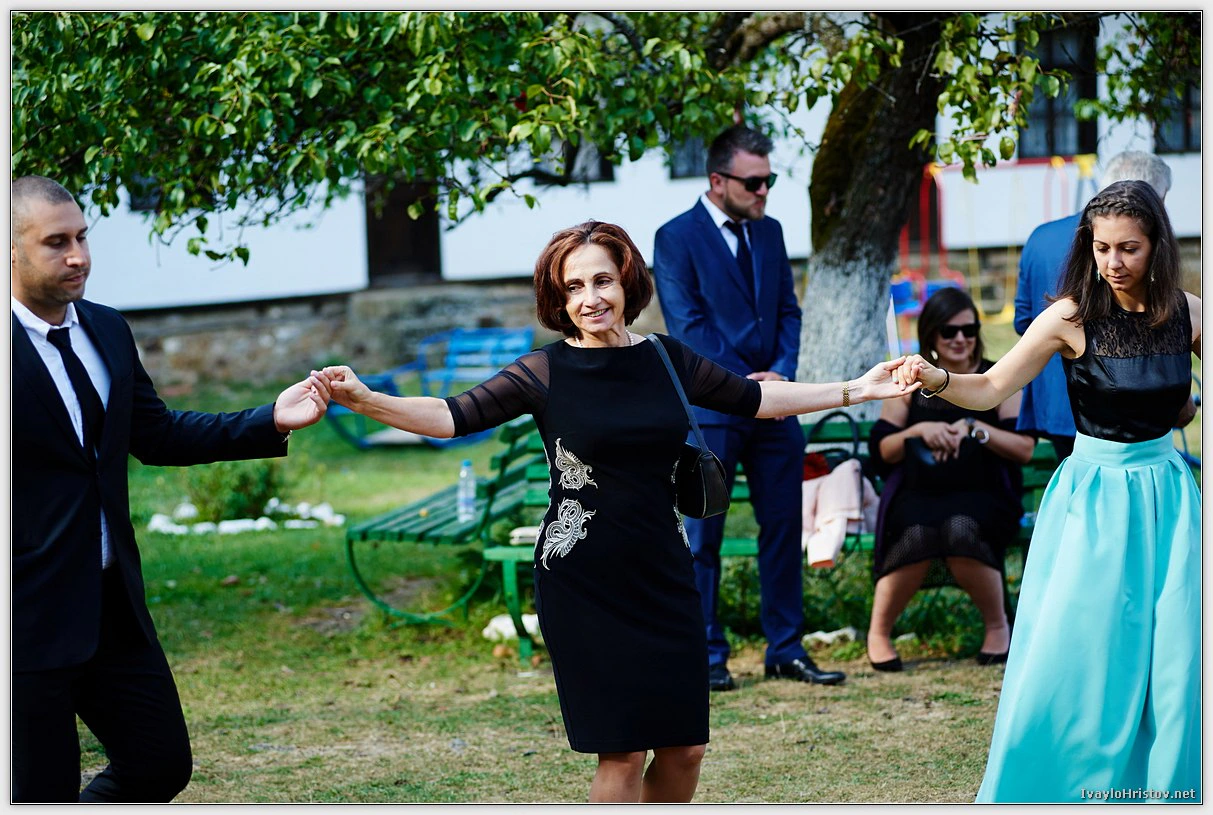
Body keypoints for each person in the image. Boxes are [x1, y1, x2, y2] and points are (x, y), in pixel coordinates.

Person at [322, 220, 913, 803]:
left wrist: (858, 389)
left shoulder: (666, 358)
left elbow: (756, 398)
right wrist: (367, 400)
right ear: (558, 299)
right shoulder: (543, 372)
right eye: (573, 287)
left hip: (664, 573)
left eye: (601, 281)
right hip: (584, 581)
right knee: (623, 752)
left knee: (685, 748)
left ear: (627, 281)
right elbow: (451, 416)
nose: (590, 299)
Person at [11, 176, 332, 802]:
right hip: (23, 616)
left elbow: (156, 434)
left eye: (82, 237)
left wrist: (270, 418)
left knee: (158, 764)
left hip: (112, 604)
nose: (78, 256)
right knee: (40, 791)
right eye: (56, 243)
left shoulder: (106, 329)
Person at [894, 180, 1201, 802]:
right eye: (1101, 247)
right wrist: (935, 378)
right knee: (1080, 655)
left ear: (1158, 246)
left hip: (1169, 500)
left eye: (1129, 248)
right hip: (1094, 502)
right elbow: (991, 388)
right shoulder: (1069, 315)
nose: (1113, 262)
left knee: (1178, 657)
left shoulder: (1191, 312)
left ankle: (1169, 791)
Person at [652, 125, 845, 693]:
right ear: (718, 180)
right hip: (710, 413)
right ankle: (706, 653)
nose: (764, 191)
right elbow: (688, 326)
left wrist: (779, 375)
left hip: (777, 408)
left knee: (784, 528)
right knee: (703, 536)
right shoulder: (675, 237)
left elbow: (788, 311)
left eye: (769, 181)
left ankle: (785, 649)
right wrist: (744, 386)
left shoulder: (771, 231)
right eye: (754, 182)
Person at [865, 287, 1036, 671]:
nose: (960, 338)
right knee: (917, 531)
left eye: (969, 329)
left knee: (959, 527)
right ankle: (878, 633)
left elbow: (1024, 448)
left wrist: (974, 427)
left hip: (984, 492)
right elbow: (882, 450)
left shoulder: (997, 378)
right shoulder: (909, 382)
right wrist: (918, 433)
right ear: (931, 335)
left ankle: (998, 626)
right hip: (920, 491)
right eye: (949, 331)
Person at [1014, 151, 1177, 460]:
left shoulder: (1040, 237)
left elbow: (1023, 320)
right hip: (1121, 411)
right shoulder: (1133, 252)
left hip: (1055, 402)